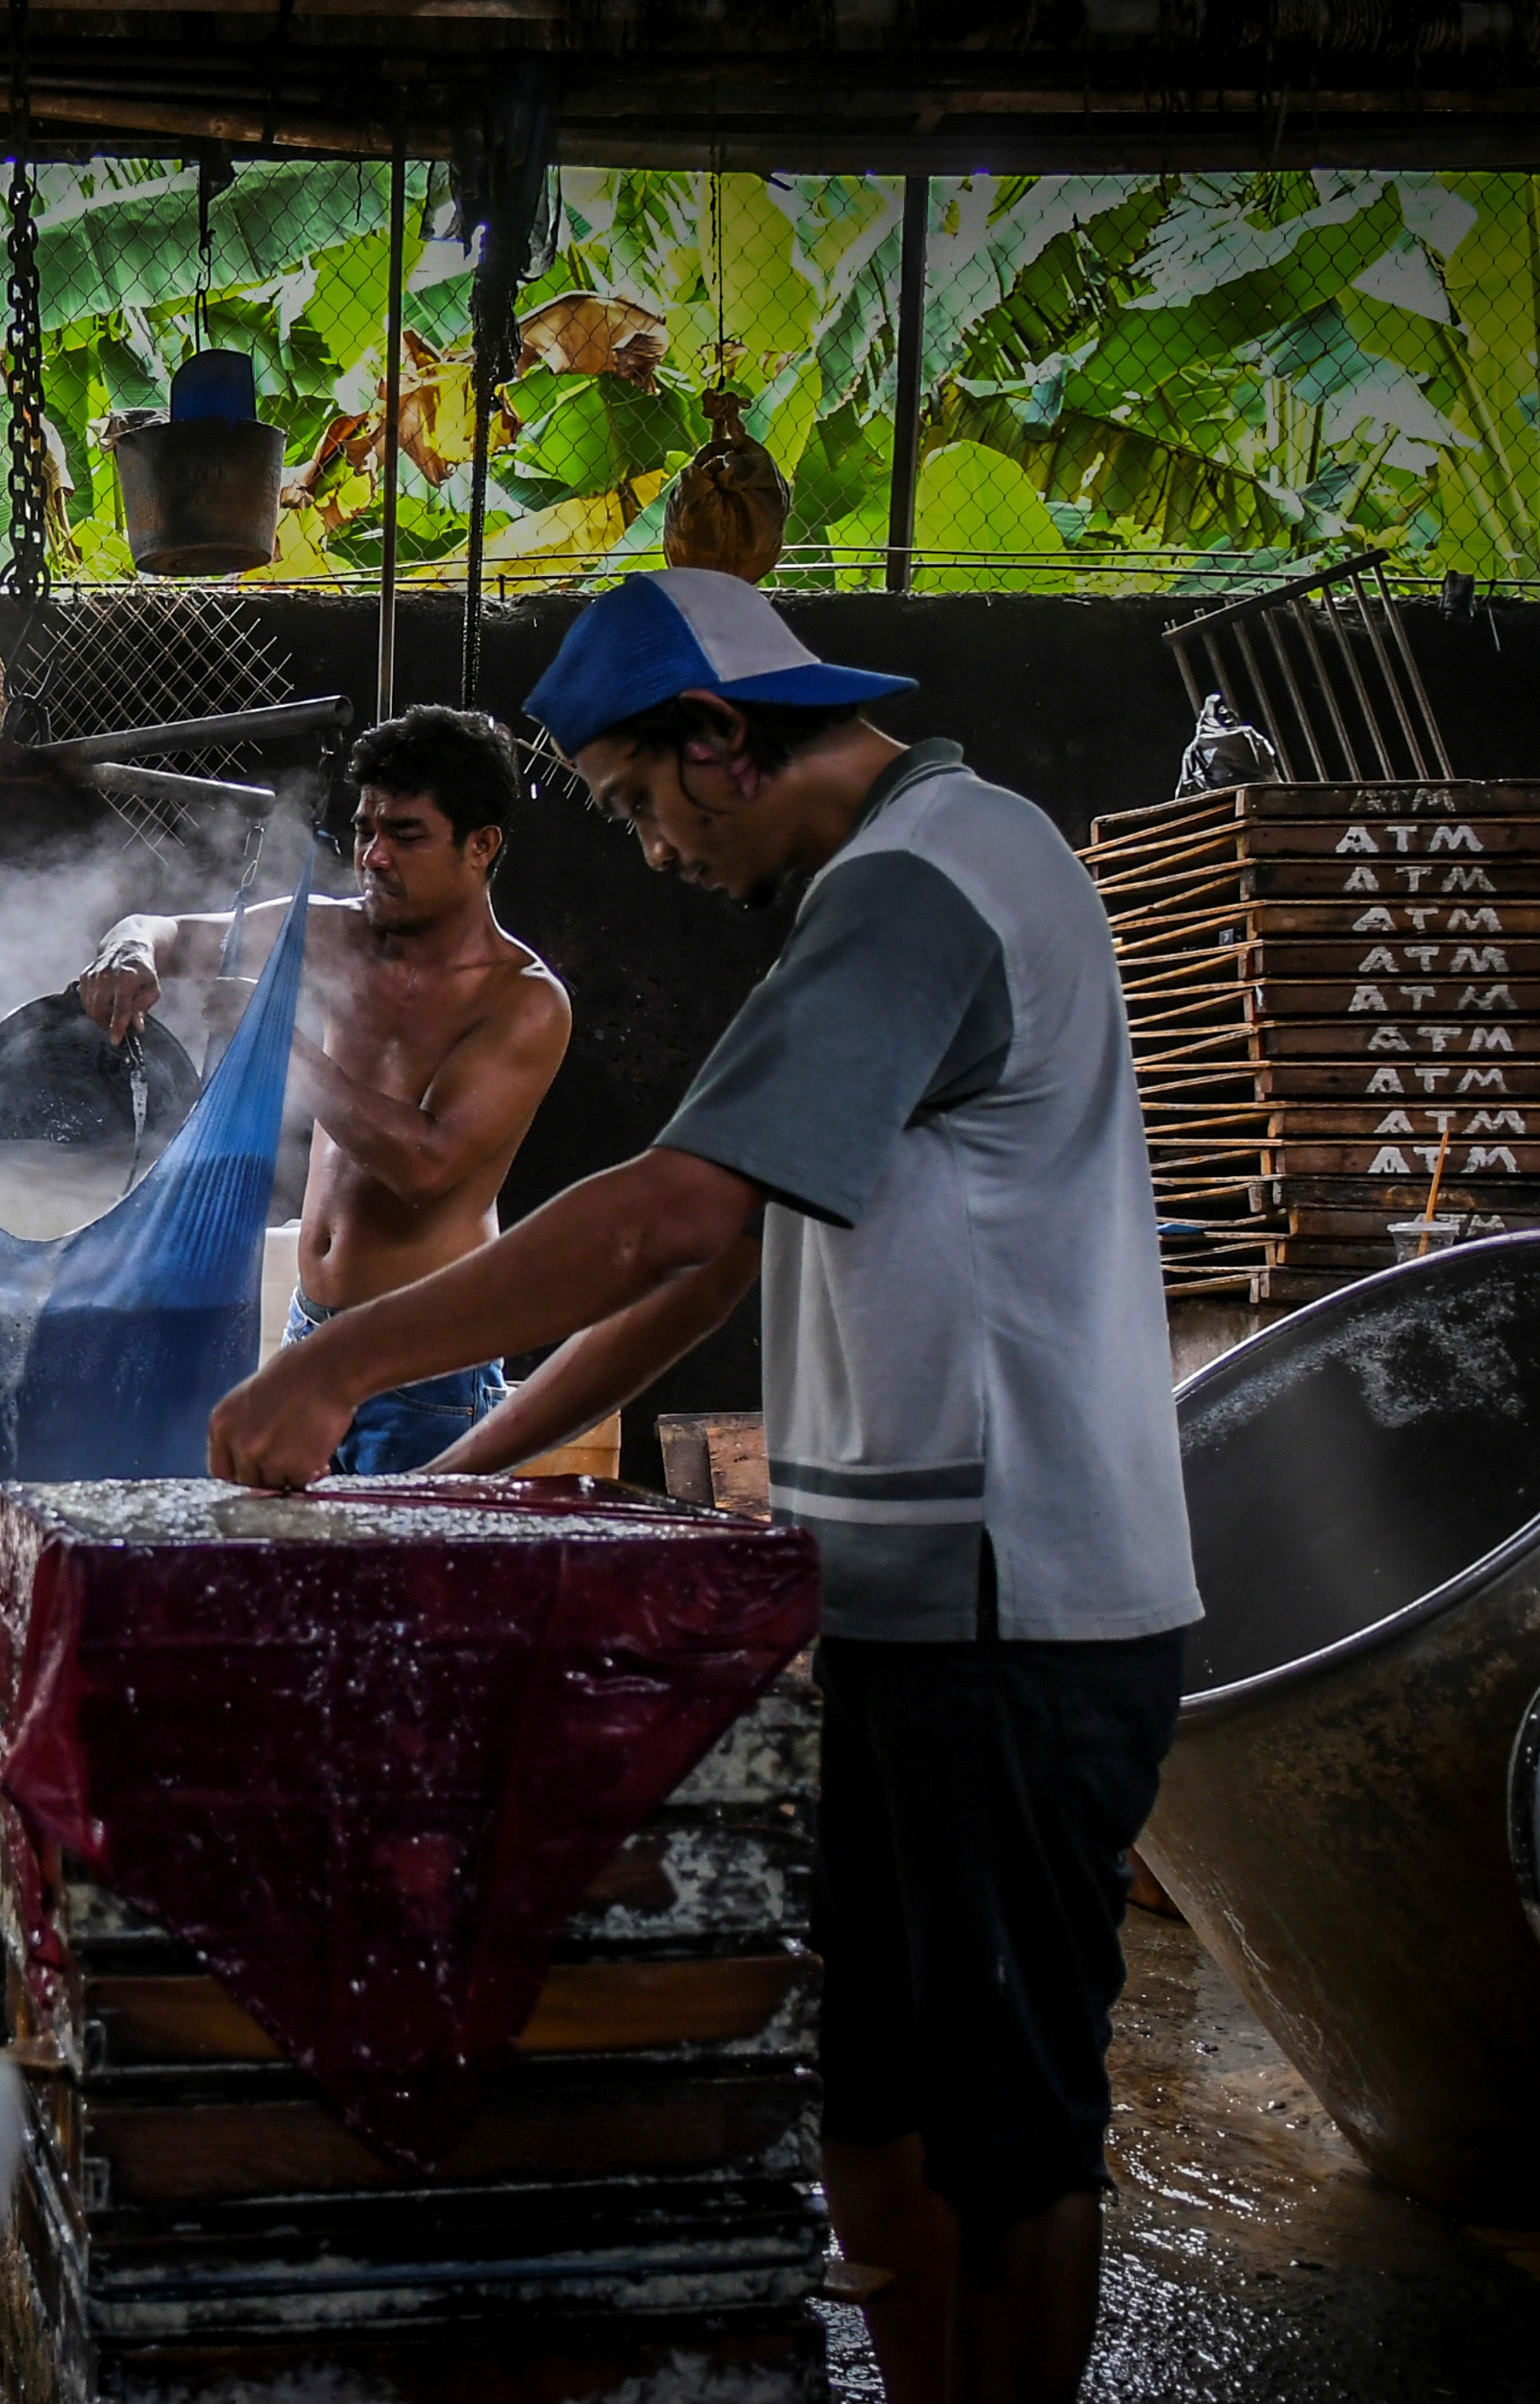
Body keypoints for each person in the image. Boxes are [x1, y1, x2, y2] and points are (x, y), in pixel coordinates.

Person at [207, 570, 1198, 2404]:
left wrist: (337, 1362)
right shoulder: (888, 889)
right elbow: (713, 1279)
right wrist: (457, 1475)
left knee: (1009, 2127)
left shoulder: (926, 884)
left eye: (641, 801)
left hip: (1014, 1612)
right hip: (905, 1605)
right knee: (877, 2093)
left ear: (722, 744)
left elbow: (673, 1207)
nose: (650, 846)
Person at [76, 705, 570, 1473]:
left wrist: (278, 1034)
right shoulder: (344, 932)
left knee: (402, 1591)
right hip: (313, 1337)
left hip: (427, 1366)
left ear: (482, 845)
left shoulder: (524, 1001)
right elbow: (169, 929)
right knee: (291, 1576)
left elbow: (425, 1165)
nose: (373, 856)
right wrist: (130, 949)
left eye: (405, 835)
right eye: (367, 829)